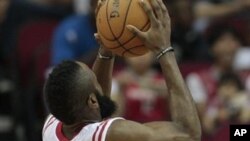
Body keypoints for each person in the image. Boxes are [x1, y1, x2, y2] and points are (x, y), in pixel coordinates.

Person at [42, 0, 201, 141]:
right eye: (95, 80)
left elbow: (97, 102)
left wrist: (107, 48)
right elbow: (188, 134)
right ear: (92, 101)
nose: (98, 79)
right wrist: (164, 48)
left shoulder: (52, 125)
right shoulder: (113, 134)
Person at [112, 52, 169, 122]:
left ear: (153, 55)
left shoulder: (163, 80)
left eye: (145, 52)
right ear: (125, 56)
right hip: (128, 128)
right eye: (134, 52)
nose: (140, 57)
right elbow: (115, 116)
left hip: (158, 127)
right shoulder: (119, 80)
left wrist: (143, 82)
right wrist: (121, 91)